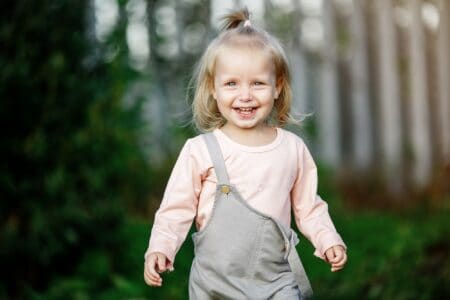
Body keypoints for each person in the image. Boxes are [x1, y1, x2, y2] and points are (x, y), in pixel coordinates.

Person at [144, 8, 347, 299]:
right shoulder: (200, 151)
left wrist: (328, 239)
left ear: (277, 87)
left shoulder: (291, 149)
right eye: (231, 84)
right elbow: (175, 211)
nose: (245, 95)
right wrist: (161, 247)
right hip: (214, 286)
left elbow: (309, 207)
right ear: (213, 89)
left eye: (258, 83)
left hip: (276, 282)